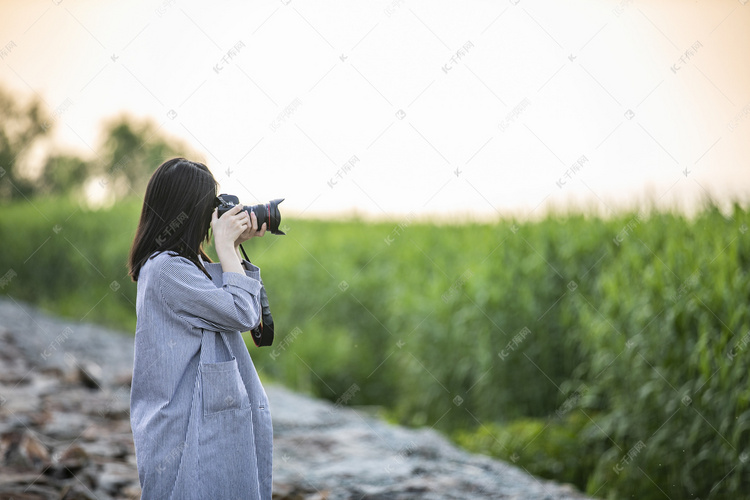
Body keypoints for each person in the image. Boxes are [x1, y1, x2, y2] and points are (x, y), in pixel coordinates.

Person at [128, 158, 272, 499]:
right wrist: (224, 245)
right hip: (185, 430)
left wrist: (233, 247)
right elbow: (240, 311)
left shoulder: (180, 265)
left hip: (197, 421)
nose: (213, 217)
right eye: (210, 206)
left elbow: (222, 302)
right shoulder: (167, 270)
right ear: (190, 211)